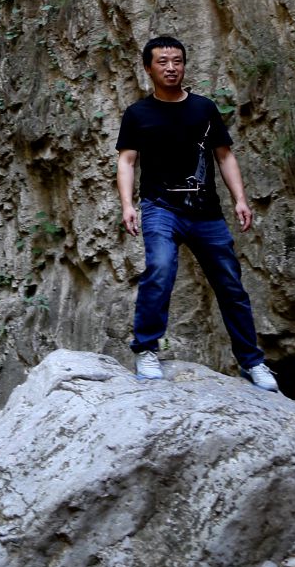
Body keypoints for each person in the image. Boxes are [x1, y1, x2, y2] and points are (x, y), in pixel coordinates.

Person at [116, 34, 279, 390]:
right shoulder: (138, 114)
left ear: (184, 66)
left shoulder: (204, 108)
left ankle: (252, 362)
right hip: (160, 208)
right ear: (148, 68)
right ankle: (146, 349)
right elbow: (127, 161)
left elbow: (224, 156)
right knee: (160, 269)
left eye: (177, 61)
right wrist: (128, 205)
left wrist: (240, 199)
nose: (171, 67)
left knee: (231, 285)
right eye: (162, 62)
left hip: (207, 213)